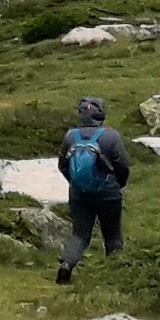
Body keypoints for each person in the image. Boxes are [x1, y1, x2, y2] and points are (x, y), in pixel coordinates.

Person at [55, 96, 131, 284]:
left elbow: (62, 165)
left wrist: (75, 183)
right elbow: (123, 167)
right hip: (108, 194)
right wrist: (117, 186)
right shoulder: (112, 136)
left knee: (80, 234)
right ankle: (115, 276)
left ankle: (66, 264)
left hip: (79, 194)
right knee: (113, 235)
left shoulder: (70, 136)